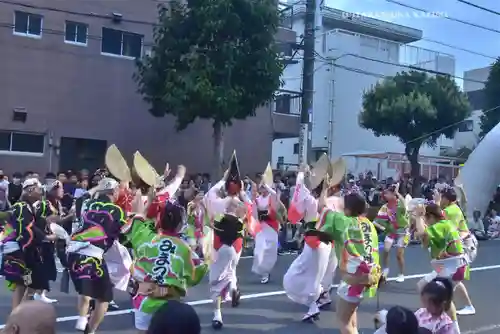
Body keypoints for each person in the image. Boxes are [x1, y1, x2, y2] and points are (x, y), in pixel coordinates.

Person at [123, 199, 208, 333]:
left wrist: (145, 208)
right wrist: (207, 262)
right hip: (169, 304)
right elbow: (194, 276)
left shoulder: (146, 237)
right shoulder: (184, 249)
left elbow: (137, 223)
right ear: (180, 224)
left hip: (143, 301)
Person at [68, 177, 128, 334]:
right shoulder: (116, 210)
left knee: (85, 289)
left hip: (73, 251)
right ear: (114, 192)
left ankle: (82, 316)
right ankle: (90, 330)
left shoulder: (86, 205)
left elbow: (82, 197)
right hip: (93, 254)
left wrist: (97, 188)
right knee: (104, 297)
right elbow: (124, 234)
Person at [0, 179, 59, 312]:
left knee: (27, 282)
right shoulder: (21, 206)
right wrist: (46, 237)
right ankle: (16, 315)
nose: (41, 192)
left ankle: (21, 312)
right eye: (39, 189)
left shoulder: (28, 207)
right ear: (30, 190)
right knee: (22, 284)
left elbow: (32, 226)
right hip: (17, 250)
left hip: (23, 249)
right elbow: (26, 228)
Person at [413, 203, 466, 333]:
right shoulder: (445, 224)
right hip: (452, 266)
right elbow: (425, 241)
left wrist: (418, 217)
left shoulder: (440, 226)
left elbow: (421, 233)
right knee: (444, 298)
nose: (426, 221)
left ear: (431, 217)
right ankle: (452, 328)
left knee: (424, 288)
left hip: (450, 267)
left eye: (426, 218)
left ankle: (434, 322)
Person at [435, 187, 476, 316]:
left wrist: (435, 204)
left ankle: (441, 308)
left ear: (446, 199)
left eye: (441, 197)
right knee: (454, 279)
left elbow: (439, 225)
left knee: (449, 281)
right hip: (461, 246)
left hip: (463, 248)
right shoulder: (453, 207)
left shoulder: (450, 211)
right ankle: (469, 306)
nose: (440, 200)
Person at [375, 278, 457, 333]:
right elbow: (406, 324)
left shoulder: (445, 325)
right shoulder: (421, 312)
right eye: (424, 302)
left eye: (429, 303)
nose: (426, 306)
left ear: (441, 303)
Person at [251, 165, 285, 284]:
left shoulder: (272, 197)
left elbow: (276, 200)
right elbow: (254, 214)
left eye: (264, 186)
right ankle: (262, 270)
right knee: (259, 249)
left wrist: (269, 188)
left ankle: (266, 272)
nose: (262, 189)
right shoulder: (257, 199)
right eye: (261, 186)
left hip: (272, 226)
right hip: (261, 227)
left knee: (270, 250)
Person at [375, 183, 410, 283]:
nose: (385, 195)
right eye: (385, 194)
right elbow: (376, 222)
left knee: (399, 255)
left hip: (403, 232)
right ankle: (385, 269)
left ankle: (401, 274)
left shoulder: (400, 204)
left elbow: (405, 205)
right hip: (391, 232)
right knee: (386, 250)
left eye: (388, 193)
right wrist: (384, 228)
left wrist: (397, 193)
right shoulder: (384, 207)